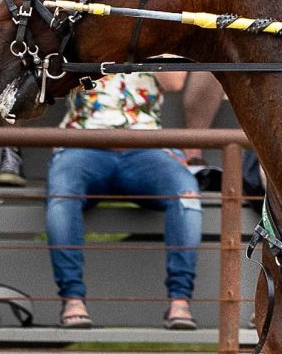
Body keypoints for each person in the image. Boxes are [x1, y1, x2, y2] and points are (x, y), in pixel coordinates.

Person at [45, 61, 201, 332]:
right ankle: (73, 300)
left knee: (186, 193)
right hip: (83, 143)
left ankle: (180, 301)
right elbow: (54, 77)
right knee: (62, 194)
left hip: (145, 147)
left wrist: (140, 41)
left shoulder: (151, 29)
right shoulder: (84, 24)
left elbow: (175, 81)